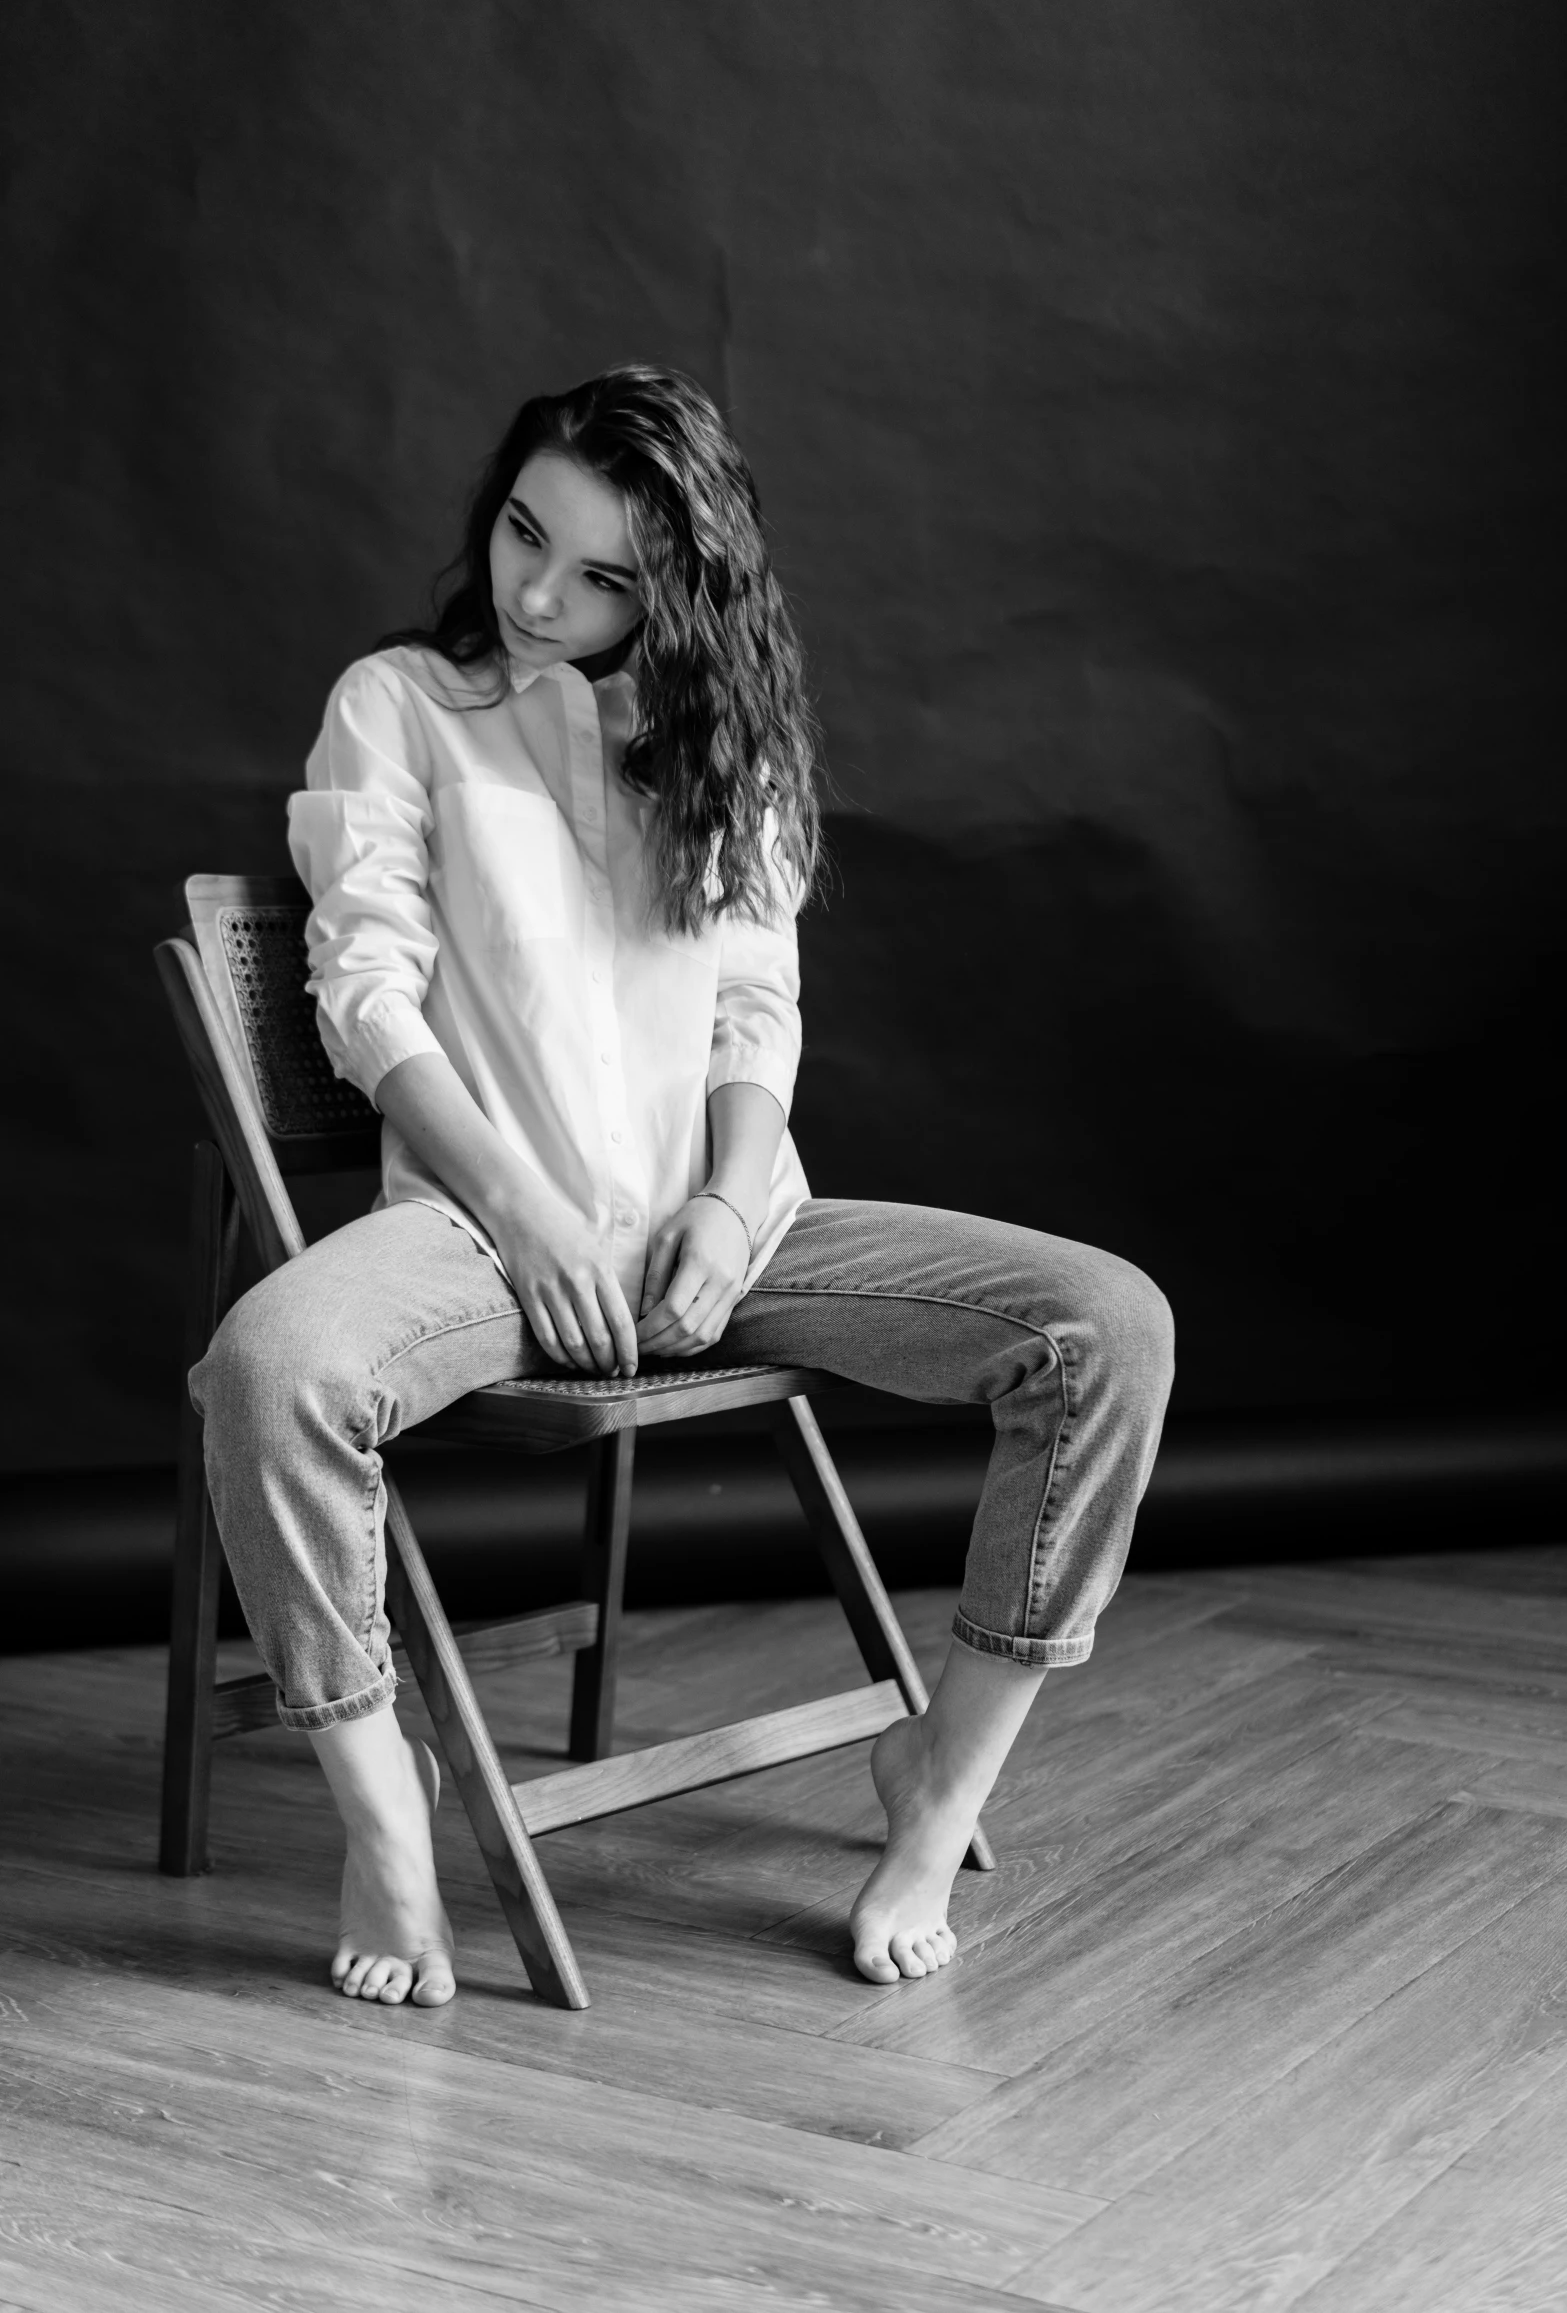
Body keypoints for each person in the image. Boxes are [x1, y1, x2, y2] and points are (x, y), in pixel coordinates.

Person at [192, 364, 1174, 2009]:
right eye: (522, 531)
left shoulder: (729, 738)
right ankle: (387, 1821)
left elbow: (751, 1005)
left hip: (730, 1227)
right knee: (269, 1367)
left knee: (1106, 1329)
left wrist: (726, 1208)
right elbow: (362, 993)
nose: (533, 591)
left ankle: (938, 1782)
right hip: (473, 1234)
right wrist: (520, 1209)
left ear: (679, 594)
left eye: (598, 577)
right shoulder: (399, 707)